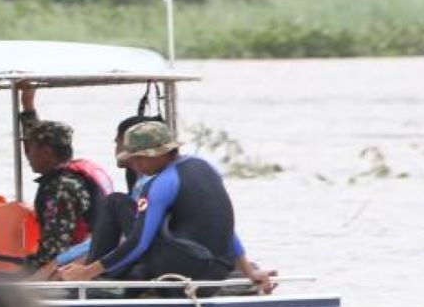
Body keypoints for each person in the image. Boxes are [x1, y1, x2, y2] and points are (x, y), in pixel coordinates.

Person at [57, 121, 277, 293]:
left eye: (138, 159)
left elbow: (138, 243)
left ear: (159, 154)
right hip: (217, 270)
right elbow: (227, 226)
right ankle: (110, 275)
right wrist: (248, 271)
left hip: (183, 271)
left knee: (115, 202)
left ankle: (96, 282)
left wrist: (86, 272)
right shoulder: (205, 167)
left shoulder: (161, 183)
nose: (135, 165)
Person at [17, 88, 115, 277]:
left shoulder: (60, 188)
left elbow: (56, 247)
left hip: (73, 265)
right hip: (93, 254)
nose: (27, 156)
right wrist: (27, 106)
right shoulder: (74, 175)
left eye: (30, 150)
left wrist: (25, 269)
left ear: (46, 152)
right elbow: (38, 135)